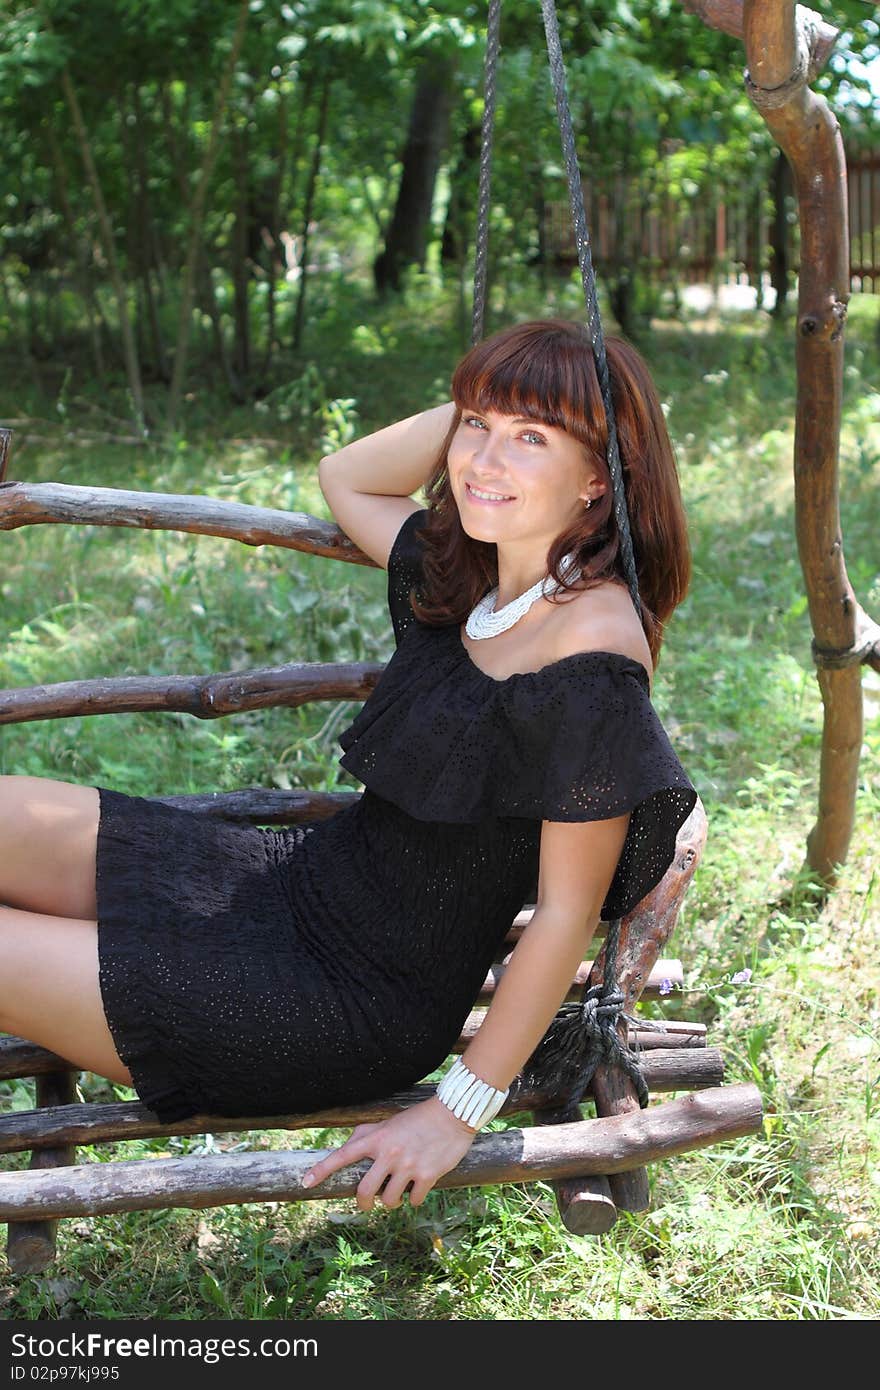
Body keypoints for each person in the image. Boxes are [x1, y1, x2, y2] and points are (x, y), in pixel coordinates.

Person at [0, 318, 697, 1214]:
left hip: (336, 1006)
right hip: (285, 889)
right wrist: (486, 400)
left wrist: (456, 1113)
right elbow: (349, 478)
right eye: (475, 426)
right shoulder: (481, 578)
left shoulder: (592, 659)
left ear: (599, 475)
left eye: (533, 439)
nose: (483, 459)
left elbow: (563, 914)